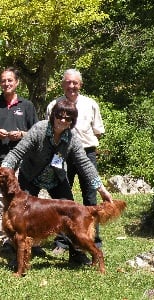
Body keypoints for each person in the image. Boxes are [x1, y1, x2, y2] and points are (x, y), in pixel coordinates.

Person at [1, 99, 113, 265]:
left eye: (68, 118)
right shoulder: (39, 129)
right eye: (60, 116)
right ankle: (18, 256)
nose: (63, 120)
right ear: (53, 115)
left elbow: (84, 164)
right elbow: (17, 152)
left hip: (57, 178)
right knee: (20, 219)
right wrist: (5, 170)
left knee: (72, 216)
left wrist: (101, 188)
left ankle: (77, 254)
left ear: (72, 121)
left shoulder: (72, 138)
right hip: (31, 176)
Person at [0, 67, 39, 256]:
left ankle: (24, 236)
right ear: (0, 83)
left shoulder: (27, 105)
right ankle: (5, 239)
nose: (6, 84)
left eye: (10, 80)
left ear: (17, 82)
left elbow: (36, 133)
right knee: (0, 200)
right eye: (3, 80)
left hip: (22, 160)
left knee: (22, 200)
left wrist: (21, 134)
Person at [46, 69, 105, 253]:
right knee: (61, 199)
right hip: (61, 155)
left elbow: (97, 131)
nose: (72, 86)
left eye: (75, 83)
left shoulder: (90, 104)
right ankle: (62, 241)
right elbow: (48, 132)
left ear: (81, 84)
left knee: (90, 197)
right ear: (63, 84)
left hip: (86, 153)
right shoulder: (53, 105)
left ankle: (93, 239)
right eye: (68, 82)